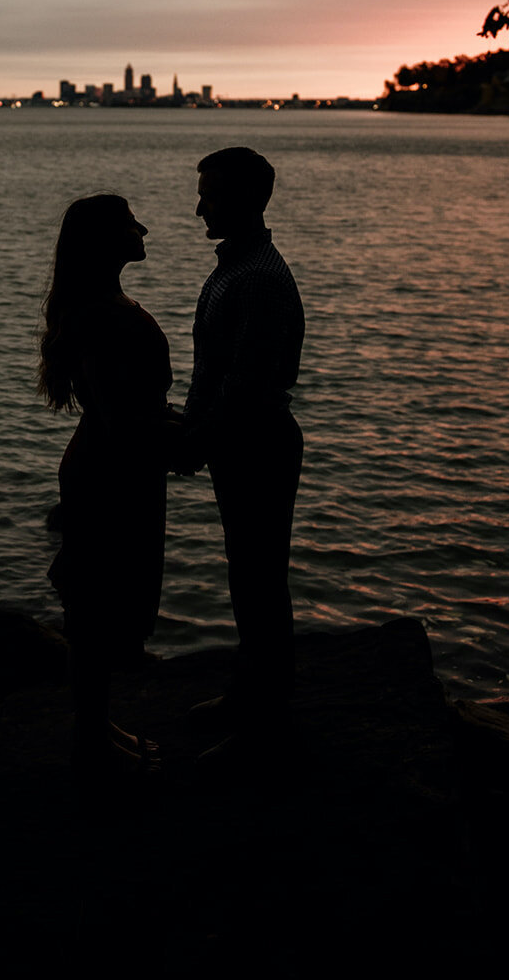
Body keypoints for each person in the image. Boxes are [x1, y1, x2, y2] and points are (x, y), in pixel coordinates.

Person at [39, 194, 173, 776]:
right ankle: (89, 743)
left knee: (106, 604)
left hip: (112, 463)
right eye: (129, 223)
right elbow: (123, 418)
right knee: (98, 609)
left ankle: (96, 727)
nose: (142, 229)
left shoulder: (103, 305)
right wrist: (186, 440)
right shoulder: (102, 314)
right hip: (111, 473)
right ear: (105, 240)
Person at [180, 147, 305, 745]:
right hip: (241, 441)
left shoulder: (255, 278)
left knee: (258, 579)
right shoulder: (238, 265)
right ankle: (255, 700)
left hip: (257, 444)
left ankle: (263, 714)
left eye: (211, 194)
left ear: (247, 202)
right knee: (250, 575)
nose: (199, 206)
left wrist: (192, 442)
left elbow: (244, 385)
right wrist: (192, 430)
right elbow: (216, 372)